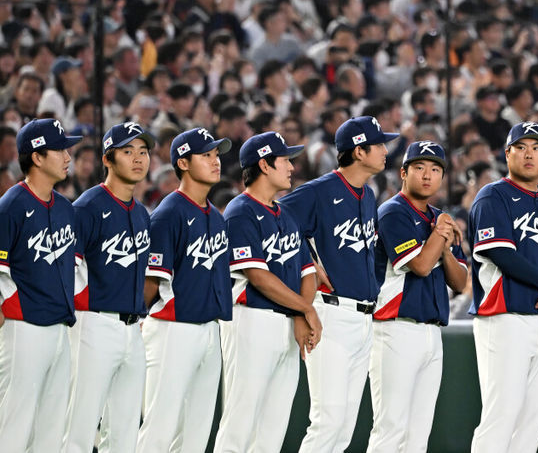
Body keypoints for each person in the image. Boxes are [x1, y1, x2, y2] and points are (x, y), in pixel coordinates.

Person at [279, 115, 397, 453]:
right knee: (328, 420)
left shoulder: (368, 194)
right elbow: (277, 220)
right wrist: (308, 262)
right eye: (378, 144)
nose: (385, 150)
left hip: (363, 318)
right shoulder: (319, 191)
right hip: (329, 314)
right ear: (359, 152)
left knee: (344, 428)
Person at [469, 121, 538, 452]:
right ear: (507, 154)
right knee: (502, 413)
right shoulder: (492, 196)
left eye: (536, 148)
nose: (528, 154)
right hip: (504, 317)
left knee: (534, 418)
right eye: (521, 147)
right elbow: (503, 254)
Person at [214, 131, 322, 453]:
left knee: (273, 426)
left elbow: (308, 272)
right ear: (264, 164)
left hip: (285, 323)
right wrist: (306, 310)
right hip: (251, 319)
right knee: (240, 421)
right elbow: (258, 276)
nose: (291, 166)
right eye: (285, 160)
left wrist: (300, 311)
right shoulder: (239, 212)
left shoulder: (285, 213)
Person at [367, 141, 469, 453]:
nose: (428, 175)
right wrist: (441, 235)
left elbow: (461, 281)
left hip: (432, 332)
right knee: (391, 430)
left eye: (436, 169)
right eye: (420, 167)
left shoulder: (440, 218)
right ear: (404, 172)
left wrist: (446, 245)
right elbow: (422, 266)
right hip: (395, 329)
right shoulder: (392, 212)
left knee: (417, 435)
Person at [138, 127, 232, 452]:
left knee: (195, 434)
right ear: (184, 163)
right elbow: (152, 280)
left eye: (216, 154)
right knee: (160, 429)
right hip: (171, 330)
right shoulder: (168, 213)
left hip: (208, 330)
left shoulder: (216, 217)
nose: (215, 160)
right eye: (205, 155)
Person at [64, 122, 156, 453]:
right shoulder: (87, 207)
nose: (138, 159)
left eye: (143, 151)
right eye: (128, 151)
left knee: (124, 431)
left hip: (133, 330)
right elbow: (67, 271)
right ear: (108, 159)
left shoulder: (142, 213)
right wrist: (81, 320)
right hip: (94, 324)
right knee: (80, 427)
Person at [0, 118, 81, 452]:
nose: (67, 156)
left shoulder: (64, 207)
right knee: (14, 423)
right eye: (60, 149)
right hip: (22, 326)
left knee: (50, 426)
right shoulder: (11, 205)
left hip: (60, 327)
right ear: (36, 156)